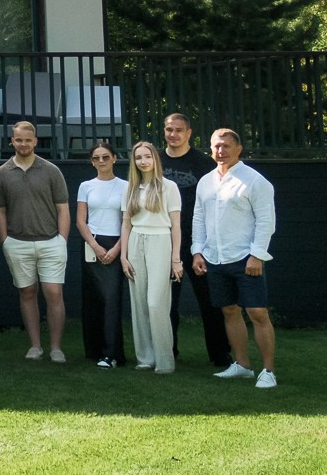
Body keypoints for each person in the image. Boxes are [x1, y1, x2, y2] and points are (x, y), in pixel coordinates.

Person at [193, 128, 279, 388]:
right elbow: (199, 218)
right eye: (216, 146)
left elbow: (266, 221)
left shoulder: (255, 181)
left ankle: (268, 371)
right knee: (229, 311)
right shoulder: (205, 181)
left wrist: (256, 255)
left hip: (245, 258)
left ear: (239, 148)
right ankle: (242, 365)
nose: (221, 151)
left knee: (257, 313)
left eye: (226, 146)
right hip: (215, 258)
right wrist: (197, 251)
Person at [0, 121, 72, 363]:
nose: (23, 144)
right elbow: (0, 211)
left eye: (28, 140)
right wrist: (5, 241)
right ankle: (35, 346)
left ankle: (56, 347)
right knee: (27, 292)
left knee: (53, 292)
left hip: (51, 242)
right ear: (12, 141)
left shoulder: (51, 170)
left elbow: (63, 209)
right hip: (17, 242)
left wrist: (62, 240)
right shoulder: (1, 173)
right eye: (19, 140)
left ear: (35, 141)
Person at [160, 112, 230, 368]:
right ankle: (168, 352)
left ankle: (220, 354)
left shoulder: (203, 163)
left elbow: (215, 202)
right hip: (163, 240)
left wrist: (206, 241)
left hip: (198, 241)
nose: (173, 134)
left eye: (179, 130)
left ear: (189, 133)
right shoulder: (154, 159)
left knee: (210, 301)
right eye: (169, 129)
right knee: (167, 303)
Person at [120, 141, 183, 376]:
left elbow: (176, 225)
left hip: (161, 242)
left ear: (155, 159)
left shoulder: (169, 187)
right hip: (136, 242)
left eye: (147, 156)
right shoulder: (130, 188)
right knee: (139, 303)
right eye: (138, 157)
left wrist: (176, 259)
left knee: (156, 303)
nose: (143, 161)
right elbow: (126, 224)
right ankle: (145, 357)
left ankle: (165, 360)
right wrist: (124, 256)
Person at [77, 142, 130, 368]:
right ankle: (94, 349)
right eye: (96, 158)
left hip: (116, 243)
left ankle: (112, 354)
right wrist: (94, 245)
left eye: (105, 157)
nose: (101, 162)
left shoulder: (126, 186)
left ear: (114, 159)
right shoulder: (86, 186)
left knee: (111, 300)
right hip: (92, 244)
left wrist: (117, 249)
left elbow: (127, 221)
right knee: (93, 299)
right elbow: (81, 220)